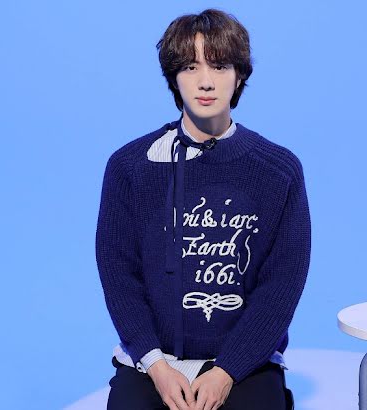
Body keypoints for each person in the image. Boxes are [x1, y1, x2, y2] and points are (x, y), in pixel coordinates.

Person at [96, 8, 311, 410]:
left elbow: (282, 285)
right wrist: (157, 366)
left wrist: (227, 371)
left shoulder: (278, 171)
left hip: (245, 363)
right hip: (152, 363)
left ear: (239, 75)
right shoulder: (130, 167)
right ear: (173, 77)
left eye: (220, 65)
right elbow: (119, 275)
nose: (206, 81)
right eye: (191, 67)